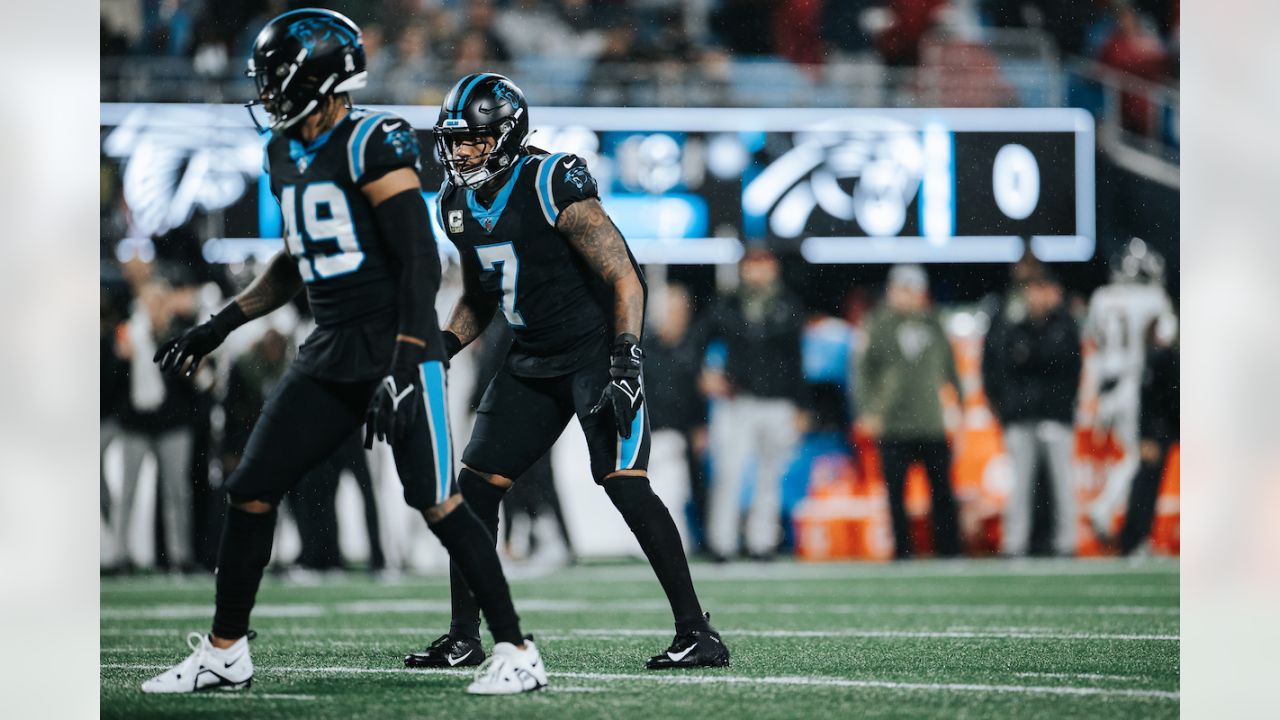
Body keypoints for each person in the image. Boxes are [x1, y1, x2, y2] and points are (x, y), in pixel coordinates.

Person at [140, 10, 546, 696]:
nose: (267, 94)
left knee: (440, 502)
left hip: (394, 342)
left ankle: (516, 649)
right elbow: (298, 258)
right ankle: (225, 651)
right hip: (329, 347)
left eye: (276, 79)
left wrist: (408, 364)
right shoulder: (282, 152)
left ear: (317, 77)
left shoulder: (373, 142)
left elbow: (418, 260)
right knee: (250, 490)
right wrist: (220, 324)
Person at [405, 72, 729, 672]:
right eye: (454, 140)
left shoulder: (550, 180)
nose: (460, 151)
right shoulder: (452, 204)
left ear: (506, 135)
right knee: (475, 490)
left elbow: (624, 273)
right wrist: (445, 343)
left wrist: (627, 355)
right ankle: (463, 636)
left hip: (594, 354)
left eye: (473, 140)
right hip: (529, 357)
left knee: (624, 481)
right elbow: (481, 295)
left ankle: (697, 632)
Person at [700, 247, 807, 562]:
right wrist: (706, 373)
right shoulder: (727, 304)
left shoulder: (788, 305)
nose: (758, 272)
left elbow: (797, 359)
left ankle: (762, 542)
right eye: (752, 265)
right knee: (729, 471)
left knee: (769, 475)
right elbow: (699, 340)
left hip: (779, 401)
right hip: (739, 400)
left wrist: (802, 405)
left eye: (764, 264)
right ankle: (722, 542)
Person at [855, 264, 963, 559]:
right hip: (893, 422)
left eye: (912, 290)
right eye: (901, 289)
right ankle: (903, 551)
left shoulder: (934, 323)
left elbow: (951, 369)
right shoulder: (877, 324)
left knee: (942, 491)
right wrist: (867, 411)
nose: (906, 296)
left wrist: (961, 406)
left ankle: (950, 550)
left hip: (930, 420)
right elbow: (862, 372)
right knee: (895, 494)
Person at [983, 268, 1082, 557]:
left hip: (1055, 413)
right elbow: (997, 367)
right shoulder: (1011, 323)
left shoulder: (1064, 324)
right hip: (1021, 413)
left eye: (1043, 289)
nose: (1038, 296)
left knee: (1062, 483)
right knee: (1019, 484)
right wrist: (1005, 407)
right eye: (1033, 289)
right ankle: (1015, 544)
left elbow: (1068, 366)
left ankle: (1066, 543)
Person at [1083, 238, 1177, 544]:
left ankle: (1122, 519)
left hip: (1108, 385)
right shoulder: (1154, 298)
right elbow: (1165, 342)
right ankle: (1106, 508)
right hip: (1136, 384)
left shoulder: (1101, 297)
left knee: (1129, 455)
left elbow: (1094, 344)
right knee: (1140, 455)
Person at [644, 283, 711, 552]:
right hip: (652, 432)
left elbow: (698, 394)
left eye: (679, 310)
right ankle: (657, 542)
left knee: (693, 490)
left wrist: (700, 426)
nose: (675, 316)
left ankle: (699, 541)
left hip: (684, 430)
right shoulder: (644, 346)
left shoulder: (695, 345)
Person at [1117, 326, 1178, 555]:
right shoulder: (1160, 355)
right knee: (1146, 483)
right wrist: (1147, 435)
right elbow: (1149, 396)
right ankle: (1134, 540)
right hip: (1164, 425)